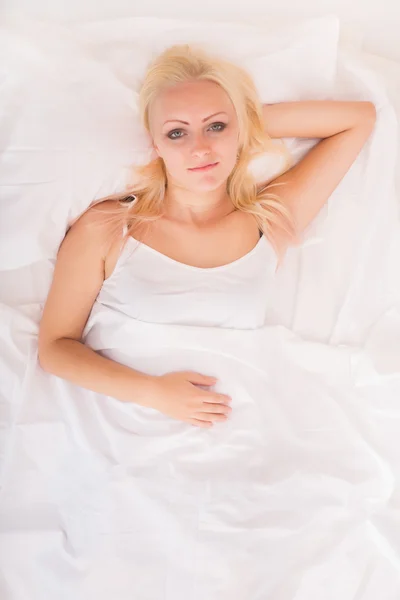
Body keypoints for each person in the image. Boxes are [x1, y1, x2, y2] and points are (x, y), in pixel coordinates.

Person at [38, 44, 376, 429]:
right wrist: (155, 393)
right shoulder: (110, 226)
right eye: (177, 132)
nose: (200, 148)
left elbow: (357, 120)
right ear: (155, 145)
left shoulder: (268, 221)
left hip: (239, 426)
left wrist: (244, 125)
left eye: (216, 126)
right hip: (124, 426)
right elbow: (55, 348)